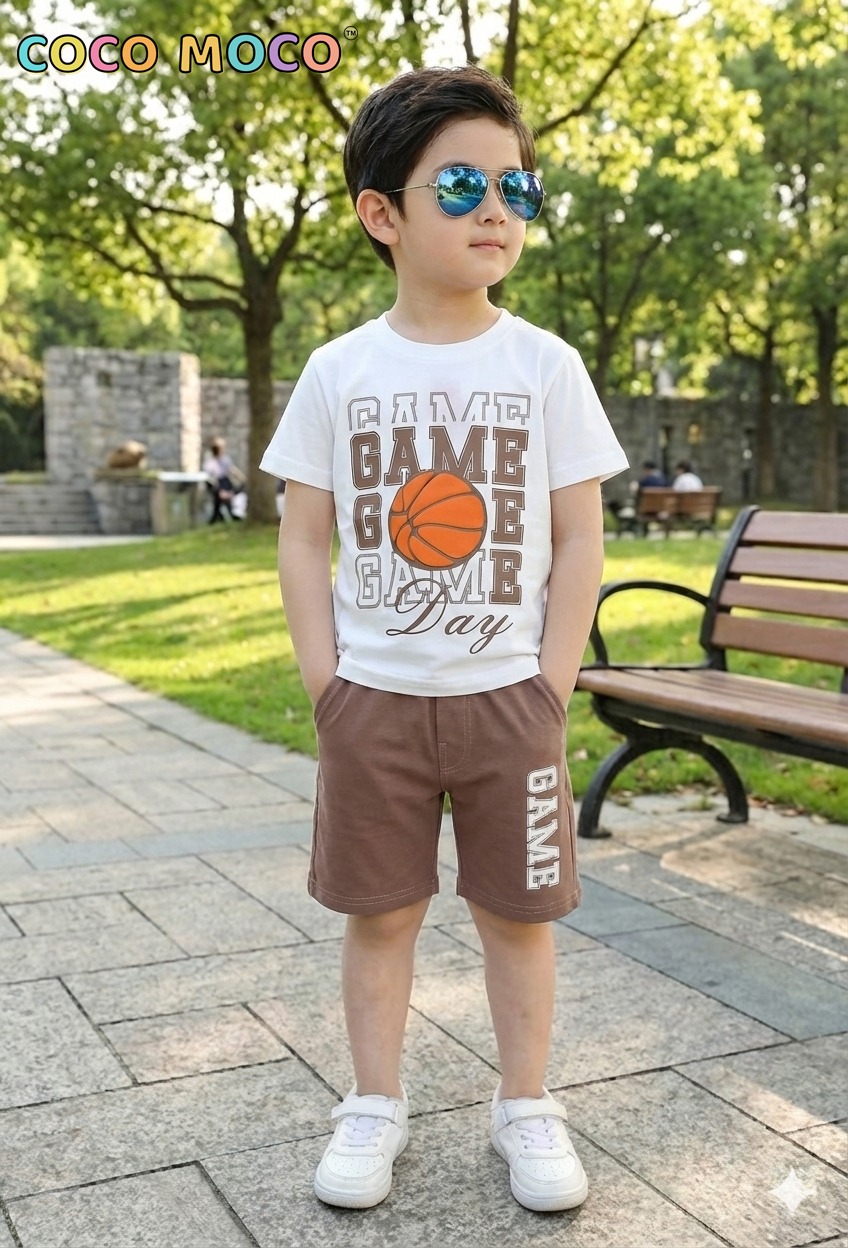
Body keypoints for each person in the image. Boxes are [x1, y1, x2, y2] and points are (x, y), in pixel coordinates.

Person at [261, 65, 628, 1214]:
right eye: (461, 182)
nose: (495, 208)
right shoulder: (339, 371)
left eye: (518, 185)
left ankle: (525, 1104)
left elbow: (579, 541)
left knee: (518, 919)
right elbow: (301, 540)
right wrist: (330, 690)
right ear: (382, 213)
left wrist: (548, 687)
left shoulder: (542, 366)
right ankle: (372, 1102)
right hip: (374, 698)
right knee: (379, 915)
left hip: (503, 701)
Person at [202, 436, 244, 522]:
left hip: (226, 483)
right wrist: (220, 491)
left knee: (237, 497)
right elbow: (211, 479)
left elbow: (232, 470)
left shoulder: (225, 460)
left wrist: (242, 478)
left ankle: (232, 515)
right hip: (217, 485)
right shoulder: (210, 463)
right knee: (218, 505)